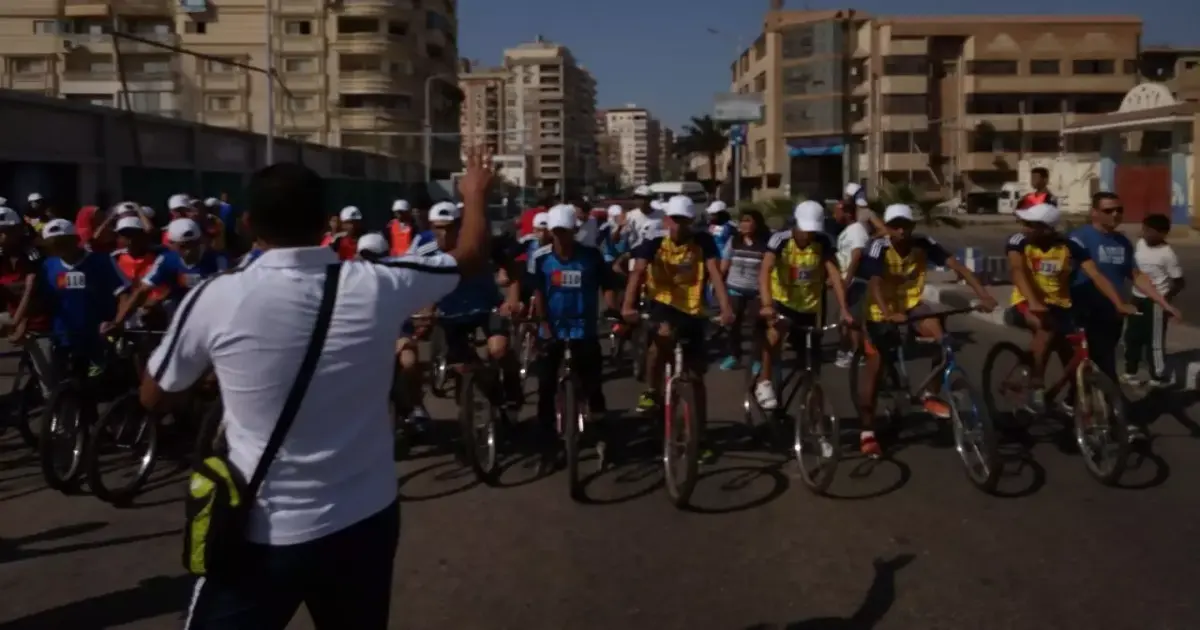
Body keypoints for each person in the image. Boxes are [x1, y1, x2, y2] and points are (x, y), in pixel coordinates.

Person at [147, 148, 494, 630]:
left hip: (262, 532)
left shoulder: (216, 296)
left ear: (247, 224)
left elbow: (155, 396)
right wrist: (474, 194)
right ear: (326, 223)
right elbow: (471, 255)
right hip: (366, 522)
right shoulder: (381, 283)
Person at [857, 204, 997, 458]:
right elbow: (874, 283)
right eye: (895, 226)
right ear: (887, 228)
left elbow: (959, 267)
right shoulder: (879, 248)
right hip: (881, 310)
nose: (901, 231)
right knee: (876, 366)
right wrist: (888, 313)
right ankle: (867, 431)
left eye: (905, 226)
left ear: (912, 226)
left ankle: (930, 395)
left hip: (911, 305)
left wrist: (983, 295)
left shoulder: (923, 244)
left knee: (942, 339)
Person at [1004, 202, 1131, 415]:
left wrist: (1118, 302)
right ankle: (1036, 384)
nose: (1024, 227)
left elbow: (1095, 274)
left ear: (1046, 229)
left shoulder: (1069, 245)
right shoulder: (1019, 241)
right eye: (1024, 223)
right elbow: (1017, 270)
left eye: (1030, 224)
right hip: (1025, 302)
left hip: (1060, 307)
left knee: (1072, 360)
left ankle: (1074, 405)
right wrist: (1034, 301)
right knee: (1046, 328)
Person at [1068, 192, 1179, 423]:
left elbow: (1136, 276)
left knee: (1097, 361)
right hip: (1083, 309)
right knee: (1102, 364)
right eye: (1108, 210)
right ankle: (1121, 420)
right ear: (1094, 212)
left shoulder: (1122, 242)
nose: (1115, 214)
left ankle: (1074, 401)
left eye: (1119, 210)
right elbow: (1092, 274)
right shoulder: (1079, 237)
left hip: (1112, 313)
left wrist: (1163, 303)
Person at [622, 195, 734, 413]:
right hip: (662, 301)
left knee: (697, 371)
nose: (679, 226)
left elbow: (715, 274)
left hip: (693, 305)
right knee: (659, 342)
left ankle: (699, 428)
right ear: (666, 220)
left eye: (684, 220)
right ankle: (652, 390)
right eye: (675, 219)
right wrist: (628, 306)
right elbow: (638, 272)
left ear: (691, 221)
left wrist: (726, 308)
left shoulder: (703, 240)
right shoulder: (655, 238)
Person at [411, 201, 524, 408]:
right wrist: (423, 308)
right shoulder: (424, 253)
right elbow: (413, 283)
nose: (444, 234)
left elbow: (512, 270)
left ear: (459, 226)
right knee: (464, 366)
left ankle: (512, 384)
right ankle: (486, 393)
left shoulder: (481, 245)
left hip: (487, 308)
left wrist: (513, 300)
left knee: (499, 349)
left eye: (449, 228)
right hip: (450, 316)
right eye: (438, 228)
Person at [527, 204, 614, 472]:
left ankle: (601, 432)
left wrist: (612, 308)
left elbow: (607, 284)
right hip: (551, 329)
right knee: (545, 388)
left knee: (593, 384)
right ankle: (548, 447)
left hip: (584, 329)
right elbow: (538, 292)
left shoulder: (591, 256)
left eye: (566, 231)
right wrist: (542, 323)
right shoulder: (541, 259)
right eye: (557, 232)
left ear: (575, 230)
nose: (561, 237)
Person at [754, 201, 854, 410]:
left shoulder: (823, 241)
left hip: (810, 306)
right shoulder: (780, 239)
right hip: (782, 301)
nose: (808, 235)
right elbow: (765, 271)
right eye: (804, 229)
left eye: (812, 231)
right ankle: (764, 381)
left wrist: (844, 309)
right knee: (774, 335)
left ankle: (813, 411)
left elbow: (834, 274)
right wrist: (767, 304)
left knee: (812, 361)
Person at [40, 219, 130, 379]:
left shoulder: (102, 261)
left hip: (99, 337)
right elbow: (45, 299)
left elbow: (124, 294)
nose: (58, 246)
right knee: (68, 385)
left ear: (76, 239)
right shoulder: (48, 266)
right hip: (64, 338)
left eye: (62, 241)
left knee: (102, 384)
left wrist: (117, 322)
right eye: (52, 243)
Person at [110, 218, 229, 329]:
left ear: (200, 241)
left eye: (192, 244)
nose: (188, 251)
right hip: (179, 314)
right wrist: (117, 323)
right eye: (182, 246)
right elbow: (141, 291)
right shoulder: (166, 260)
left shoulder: (219, 260)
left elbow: (226, 294)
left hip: (212, 314)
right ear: (171, 244)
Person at [1123, 213, 1185, 388]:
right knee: (1132, 336)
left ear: (1162, 233)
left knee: (1154, 341)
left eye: (1150, 231)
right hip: (1136, 298)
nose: (1146, 233)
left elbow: (1179, 282)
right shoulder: (1140, 243)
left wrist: (1165, 300)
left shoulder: (1167, 254)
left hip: (1156, 303)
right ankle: (1130, 372)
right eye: (1144, 229)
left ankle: (1158, 376)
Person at [0, 206, 53, 389]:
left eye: (4, 231)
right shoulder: (2, 254)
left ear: (17, 230)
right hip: (13, 315)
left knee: (48, 383)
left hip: (38, 321)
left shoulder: (33, 253)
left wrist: (21, 323)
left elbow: (34, 292)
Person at [717, 209, 769, 371]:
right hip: (734, 288)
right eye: (742, 221)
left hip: (756, 290)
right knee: (733, 324)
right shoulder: (733, 241)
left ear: (757, 223)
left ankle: (756, 359)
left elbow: (768, 268)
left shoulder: (765, 243)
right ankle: (734, 355)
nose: (744, 224)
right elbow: (724, 265)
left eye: (748, 220)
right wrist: (717, 283)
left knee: (757, 326)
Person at [109, 213, 169, 330]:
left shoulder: (159, 256)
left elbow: (164, 289)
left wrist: (148, 305)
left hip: (152, 312)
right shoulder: (114, 259)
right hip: (123, 312)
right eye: (125, 235)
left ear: (143, 236)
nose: (130, 240)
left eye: (134, 234)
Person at [833, 195, 871, 368]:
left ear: (847, 212)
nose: (834, 215)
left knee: (853, 320)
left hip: (856, 282)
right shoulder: (849, 230)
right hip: (847, 281)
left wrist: (847, 280)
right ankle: (851, 350)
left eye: (837, 211)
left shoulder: (857, 230)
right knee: (845, 319)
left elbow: (857, 256)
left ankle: (858, 353)